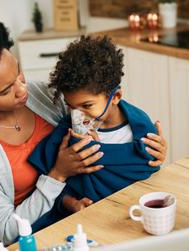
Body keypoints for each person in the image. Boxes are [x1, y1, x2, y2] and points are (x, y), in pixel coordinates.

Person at [0, 6, 168, 246]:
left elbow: (102, 103)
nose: (22, 89)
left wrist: (148, 143)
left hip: (82, 217)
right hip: (32, 236)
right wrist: (58, 174)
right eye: (7, 90)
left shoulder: (43, 95)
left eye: (19, 73)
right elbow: (8, 231)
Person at [28, 36, 163, 230]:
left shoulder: (141, 130)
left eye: (87, 105)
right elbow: (50, 185)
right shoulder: (67, 135)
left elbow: (150, 171)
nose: (77, 116)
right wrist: (70, 203)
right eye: (70, 106)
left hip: (133, 221)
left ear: (115, 96)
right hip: (88, 226)